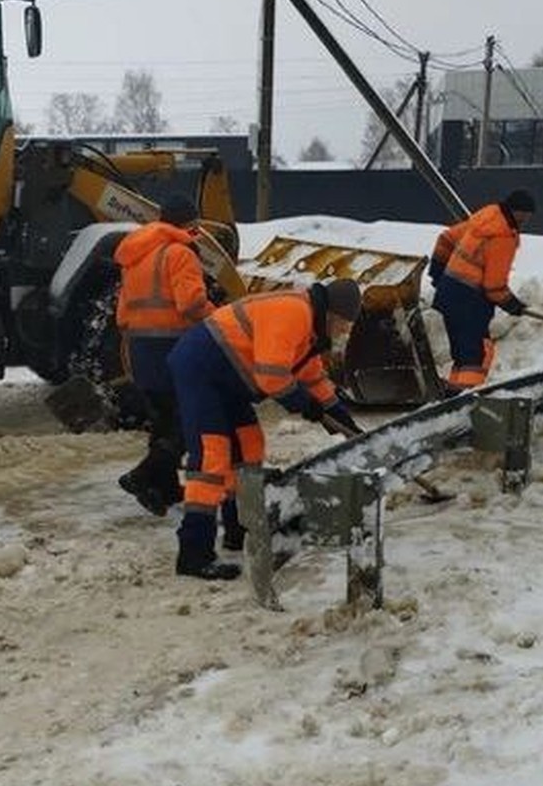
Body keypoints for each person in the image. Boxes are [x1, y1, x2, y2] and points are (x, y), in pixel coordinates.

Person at [167, 278, 363, 581]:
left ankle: (238, 527)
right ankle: (194, 553)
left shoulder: (310, 330)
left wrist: (339, 416)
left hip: (227, 381)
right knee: (212, 455)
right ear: (330, 314)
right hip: (201, 370)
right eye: (343, 324)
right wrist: (302, 403)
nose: (343, 332)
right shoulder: (294, 313)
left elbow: (311, 378)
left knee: (249, 445)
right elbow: (270, 375)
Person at [114, 193, 216, 518]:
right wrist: (222, 318)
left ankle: (163, 490)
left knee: (163, 421)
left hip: (141, 349)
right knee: (187, 423)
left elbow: (122, 313)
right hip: (174, 348)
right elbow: (192, 305)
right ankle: (141, 476)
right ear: (190, 224)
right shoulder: (181, 254)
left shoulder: (137, 255)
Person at [429, 188, 536, 393]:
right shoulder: (504, 236)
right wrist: (512, 304)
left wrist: (438, 271)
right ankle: (468, 399)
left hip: (448, 295)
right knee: (477, 355)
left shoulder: (485, 217)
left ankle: (454, 392)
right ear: (517, 211)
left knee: (462, 353)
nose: (526, 222)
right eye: (526, 216)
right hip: (469, 302)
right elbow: (493, 286)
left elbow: (446, 239)